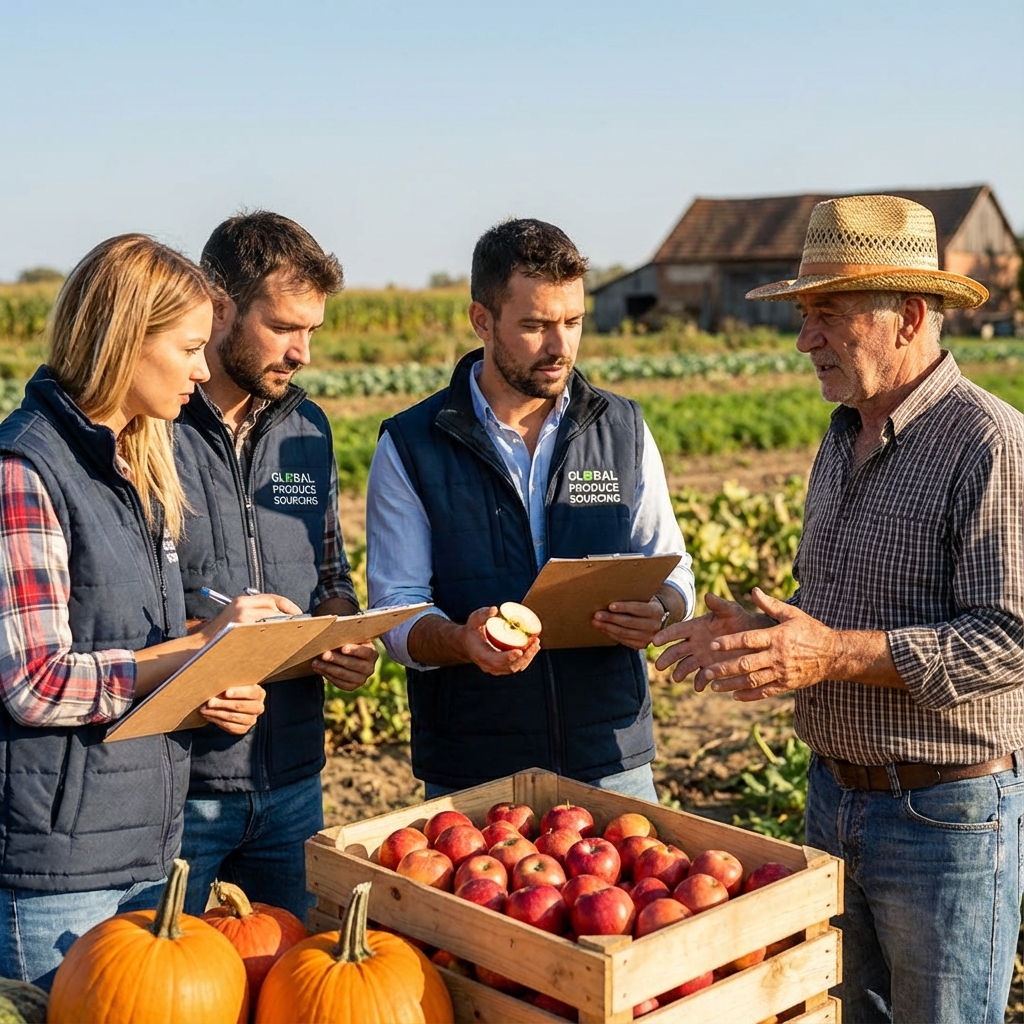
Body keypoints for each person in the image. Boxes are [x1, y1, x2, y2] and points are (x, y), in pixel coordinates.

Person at [653, 195, 1024, 1024]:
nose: (804, 338)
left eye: (828, 315)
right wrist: (761, 636)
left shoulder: (990, 443)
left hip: (944, 820)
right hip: (833, 802)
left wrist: (832, 656)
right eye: (802, 315)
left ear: (910, 317)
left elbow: (1009, 639)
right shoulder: (839, 435)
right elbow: (832, 615)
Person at [0, 235, 299, 988]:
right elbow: (35, 682)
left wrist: (210, 685)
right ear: (125, 339)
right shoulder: (24, 468)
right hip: (57, 868)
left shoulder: (138, 461)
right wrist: (196, 650)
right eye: (191, 347)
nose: (204, 370)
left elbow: (137, 646)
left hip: (141, 843)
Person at [366, 218, 694, 799]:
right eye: (535, 325)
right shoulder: (413, 444)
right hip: (472, 764)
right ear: (482, 321)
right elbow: (396, 612)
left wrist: (662, 609)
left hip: (610, 757)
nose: (560, 346)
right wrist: (460, 640)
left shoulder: (623, 428)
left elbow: (672, 567)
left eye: (572, 323)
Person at [174, 212, 378, 920]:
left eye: (312, 331)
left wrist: (343, 632)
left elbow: (331, 574)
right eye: (286, 326)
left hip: (293, 780)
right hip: (182, 786)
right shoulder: (151, 428)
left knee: (289, 978)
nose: (303, 352)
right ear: (219, 306)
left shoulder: (306, 427)